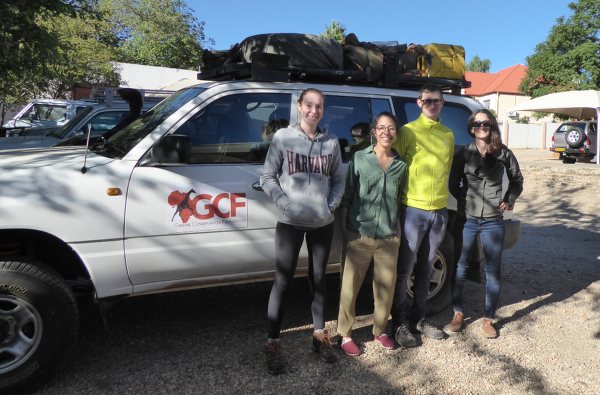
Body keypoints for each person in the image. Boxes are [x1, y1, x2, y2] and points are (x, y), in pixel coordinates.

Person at [260, 88, 345, 374]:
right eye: (309, 105)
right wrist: (284, 203)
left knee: (319, 280)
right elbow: (267, 176)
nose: (314, 111)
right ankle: (273, 343)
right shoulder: (283, 137)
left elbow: (338, 180)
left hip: (322, 223)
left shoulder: (331, 141)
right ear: (299, 107)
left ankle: (320, 336)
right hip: (290, 223)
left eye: (319, 106)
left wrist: (330, 206)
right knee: (282, 281)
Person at [447, 109, 524, 338]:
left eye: (486, 123)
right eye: (477, 123)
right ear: (471, 127)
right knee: (460, 267)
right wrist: (464, 200)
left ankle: (488, 320)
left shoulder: (503, 153)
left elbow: (517, 179)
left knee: (493, 271)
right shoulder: (463, 154)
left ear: (492, 126)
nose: (482, 126)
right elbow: (453, 183)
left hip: (493, 221)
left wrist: (509, 200)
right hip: (467, 219)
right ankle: (458, 313)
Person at [337, 112, 407, 355]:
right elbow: (347, 197)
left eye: (391, 128)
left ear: (396, 133)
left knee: (385, 289)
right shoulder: (359, 158)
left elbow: (398, 203)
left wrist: (397, 234)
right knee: (349, 289)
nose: (387, 132)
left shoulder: (401, 165)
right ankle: (345, 334)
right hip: (359, 234)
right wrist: (346, 232)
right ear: (374, 132)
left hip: (388, 238)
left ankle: (380, 330)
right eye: (382, 127)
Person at [390, 82, 454, 347]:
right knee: (404, 270)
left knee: (425, 270)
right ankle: (400, 323)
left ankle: (419, 319)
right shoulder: (407, 132)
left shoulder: (448, 134)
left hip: (438, 212)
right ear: (419, 103)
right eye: (427, 100)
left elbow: (446, 169)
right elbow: (396, 169)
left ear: (442, 103)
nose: (432, 104)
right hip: (413, 210)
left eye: (436, 101)